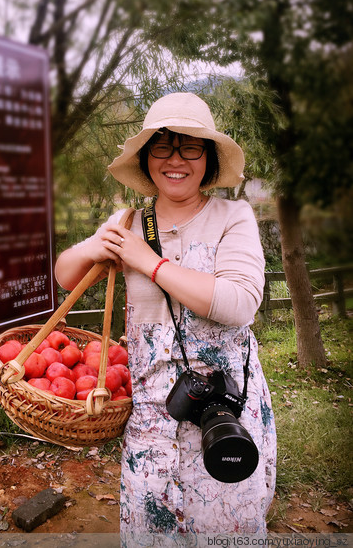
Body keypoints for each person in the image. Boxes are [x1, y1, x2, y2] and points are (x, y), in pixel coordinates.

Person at [55, 92, 276, 541]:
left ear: (208, 158)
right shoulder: (129, 222)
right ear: (147, 158)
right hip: (151, 423)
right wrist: (94, 248)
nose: (176, 160)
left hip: (223, 416)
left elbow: (239, 302)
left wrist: (148, 262)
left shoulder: (234, 217)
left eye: (190, 146)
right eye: (163, 146)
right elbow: (64, 276)